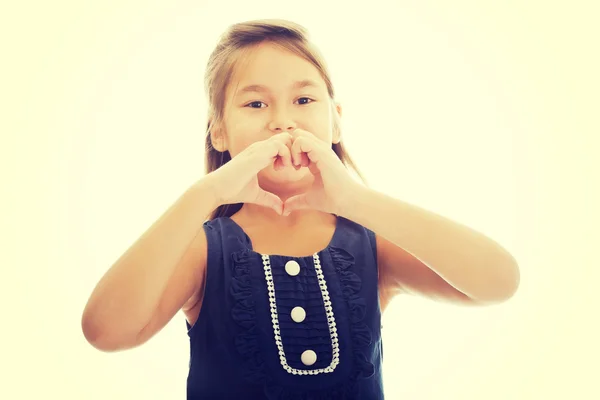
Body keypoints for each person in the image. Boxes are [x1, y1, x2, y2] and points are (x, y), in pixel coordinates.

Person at [81, 19, 520, 399]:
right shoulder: (204, 248)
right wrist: (204, 195)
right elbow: (106, 331)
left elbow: (499, 281)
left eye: (304, 100)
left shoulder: (371, 243)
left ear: (336, 120)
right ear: (218, 132)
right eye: (255, 104)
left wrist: (359, 201)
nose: (282, 121)